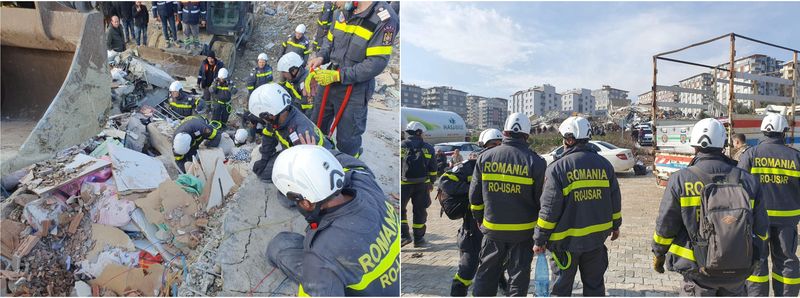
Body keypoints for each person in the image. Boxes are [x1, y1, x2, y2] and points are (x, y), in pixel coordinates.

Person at [652, 118, 769, 296]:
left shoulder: (681, 179)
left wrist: (659, 253)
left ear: (694, 146)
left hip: (697, 273)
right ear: (723, 145)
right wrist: (752, 255)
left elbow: (666, 226)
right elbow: (761, 228)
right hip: (738, 272)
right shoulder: (748, 180)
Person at [265, 145, 400, 296]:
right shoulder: (363, 182)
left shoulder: (322, 254)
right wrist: (316, 155)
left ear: (305, 203)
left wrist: (315, 274)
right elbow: (351, 163)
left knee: (279, 245)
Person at [532, 116, 622, 296]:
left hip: (566, 245)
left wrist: (539, 239)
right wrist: (616, 225)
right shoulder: (604, 165)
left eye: (564, 140)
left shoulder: (557, 168)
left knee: (561, 289)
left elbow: (549, 209)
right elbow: (614, 198)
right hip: (596, 241)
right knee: (595, 287)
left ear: (570, 139)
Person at [307, 1, 398, 158]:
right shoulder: (342, 12)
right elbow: (329, 43)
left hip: (355, 88)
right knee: (316, 125)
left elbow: (376, 63)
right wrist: (320, 58)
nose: (334, 3)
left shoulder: (384, 19)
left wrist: (340, 76)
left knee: (347, 139)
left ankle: (348, 170)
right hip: (330, 79)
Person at [469, 113, 546, 296]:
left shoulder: (485, 157)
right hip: (523, 233)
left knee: (486, 274)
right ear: (527, 135)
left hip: (492, 230)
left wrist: (479, 219)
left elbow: (475, 197)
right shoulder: (536, 162)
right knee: (518, 277)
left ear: (504, 132)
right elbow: (541, 201)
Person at [739, 114, 800, 297]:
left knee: (757, 260)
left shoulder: (750, 154)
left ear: (764, 131)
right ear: (784, 132)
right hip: (787, 220)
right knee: (787, 261)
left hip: (757, 220)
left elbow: (739, 187)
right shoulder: (796, 156)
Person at [439, 128, 504, 296]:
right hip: (473, 231)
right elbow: (445, 181)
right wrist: (474, 189)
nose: (496, 148)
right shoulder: (469, 166)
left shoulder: (505, 168)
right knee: (467, 270)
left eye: (499, 145)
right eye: (492, 145)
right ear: (483, 146)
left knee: (498, 267)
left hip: (498, 230)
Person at [249, 83, 334, 182]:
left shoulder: (301, 133)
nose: (264, 121)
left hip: (319, 164)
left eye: (263, 118)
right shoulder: (279, 114)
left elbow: (312, 167)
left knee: (278, 182)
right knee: (263, 172)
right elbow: (269, 136)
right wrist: (264, 159)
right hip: (293, 152)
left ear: (269, 115)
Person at [400, 121, 437, 247]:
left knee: (401, 210)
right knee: (420, 211)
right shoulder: (429, 148)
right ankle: (419, 240)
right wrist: (431, 182)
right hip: (423, 184)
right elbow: (433, 169)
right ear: (419, 132)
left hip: (403, 184)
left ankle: (404, 236)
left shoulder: (402, 146)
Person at [276, 52, 313, 117]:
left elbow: (309, 112)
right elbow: (285, 91)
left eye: (284, 72)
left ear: (293, 71)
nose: (283, 75)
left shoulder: (307, 84)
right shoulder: (291, 79)